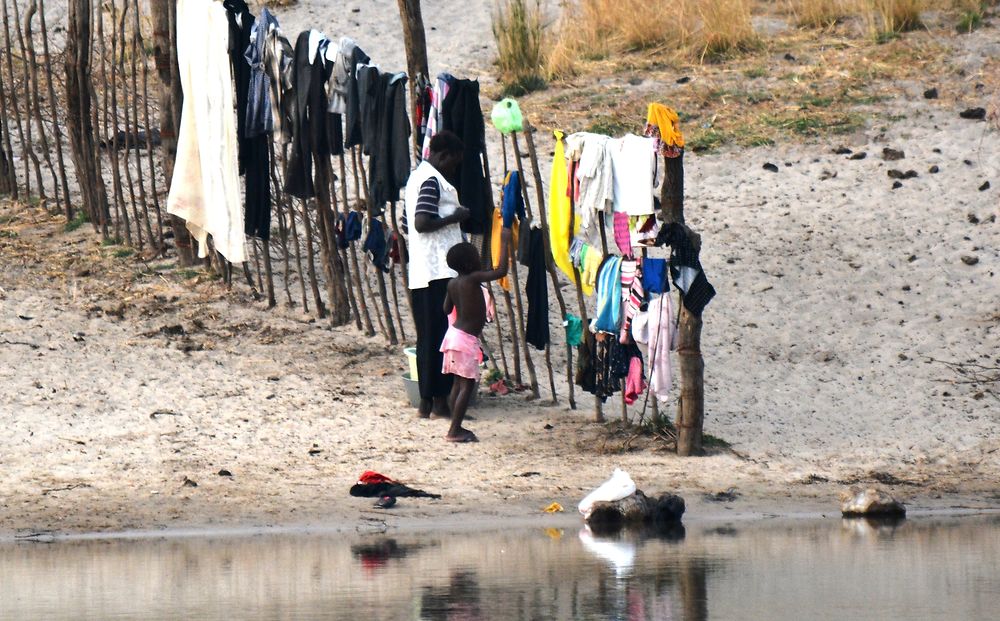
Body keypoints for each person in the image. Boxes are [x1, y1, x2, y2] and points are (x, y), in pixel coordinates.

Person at [403, 131, 470, 418]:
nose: (454, 169)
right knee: (439, 336)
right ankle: (438, 401)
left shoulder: (416, 178)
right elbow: (420, 223)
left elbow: (408, 224)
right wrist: (454, 218)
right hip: (436, 272)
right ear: (442, 156)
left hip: (423, 269)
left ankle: (427, 402)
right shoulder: (431, 180)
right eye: (453, 162)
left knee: (427, 336)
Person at [440, 226, 511, 442]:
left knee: (458, 384)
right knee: (467, 385)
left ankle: (454, 424)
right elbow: (500, 272)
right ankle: (454, 430)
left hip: (452, 335)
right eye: (477, 257)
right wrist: (505, 242)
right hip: (465, 340)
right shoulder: (472, 279)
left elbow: (445, 309)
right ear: (470, 264)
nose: (480, 259)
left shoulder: (453, 283)